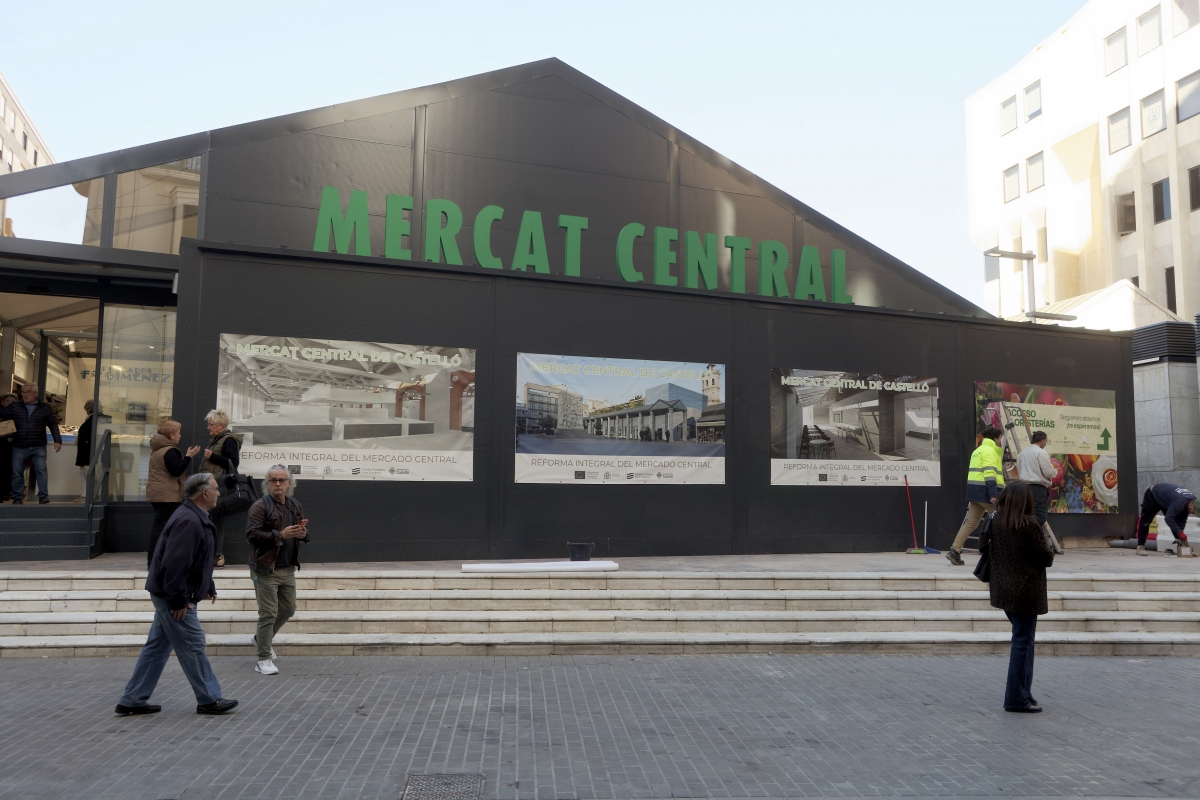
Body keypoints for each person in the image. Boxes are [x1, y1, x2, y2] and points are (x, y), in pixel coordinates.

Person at [114, 473, 238, 716]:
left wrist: (207, 584)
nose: (218, 493)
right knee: (193, 644)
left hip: (171, 593)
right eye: (215, 489)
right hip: (174, 596)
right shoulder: (189, 520)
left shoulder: (193, 516)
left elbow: (196, 560)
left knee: (157, 648)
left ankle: (132, 699)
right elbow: (175, 564)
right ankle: (209, 698)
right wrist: (179, 600)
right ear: (204, 493)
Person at [981, 480, 1054, 713]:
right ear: (1027, 501)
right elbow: (1046, 558)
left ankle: (1023, 692)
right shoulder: (1029, 524)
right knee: (1023, 642)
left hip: (1003, 591)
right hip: (1026, 592)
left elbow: (982, 547)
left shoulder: (994, 520)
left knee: (1024, 640)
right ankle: (1015, 698)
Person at [245, 464, 310, 676]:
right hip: (265, 568)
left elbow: (301, 534)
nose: (278, 484)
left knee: (288, 610)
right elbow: (252, 535)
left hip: (287, 568)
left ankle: (260, 639)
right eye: (273, 480)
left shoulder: (294, 505)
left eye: (282, 480)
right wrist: (280, 535)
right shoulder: (260, 506)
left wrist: (302, 533)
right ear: (267, 484)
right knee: (268, 613)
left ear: (290, 483)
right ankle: (263, 658)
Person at [145, 420, 202, 569]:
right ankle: (153, 562)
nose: (180, 436)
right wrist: (188, 456)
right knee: (161, 527)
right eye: (178, 433)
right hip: (167, 495)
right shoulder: (170, 451)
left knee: (162, 527)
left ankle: (158, 560)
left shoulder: (157, 449)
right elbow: (176, 470)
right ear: (171, 435)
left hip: (158, 494)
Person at [946, 425, 1005, 565]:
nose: (1001, 441)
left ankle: (955, 550)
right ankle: (1000, 553)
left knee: (971, 522)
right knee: (1001, 521)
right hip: (987, 492)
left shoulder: (977, 450)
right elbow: (989, 473)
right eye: (1000, 438)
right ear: (995, 438)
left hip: (975, 492)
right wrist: (994, 494)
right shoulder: (990, 451)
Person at [0, 383, 62, 504]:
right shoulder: (15, 406)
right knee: (17, 471)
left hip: (38, 445)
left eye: (28, 392)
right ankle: (18, 497)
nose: (25, 395)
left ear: (36, 393)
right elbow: (1, 413)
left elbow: (53, 424)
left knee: (41, 470)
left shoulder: (45, 407)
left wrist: (57, 440)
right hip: (19, 445)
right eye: (23, 392)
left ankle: (43, 496)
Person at [198, 409, 241, 568]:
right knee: (210, 519)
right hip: (210, 485)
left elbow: (233, 463)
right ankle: (210, 553)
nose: (208, 427)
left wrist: (212, 456)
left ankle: (217, 555)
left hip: (219, 486)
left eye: (211, 424)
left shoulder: (228, 440)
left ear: (221, 425)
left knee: (216, 519)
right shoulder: (217, 439)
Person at [1135, 483, 1195, 556]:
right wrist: (1179, 533)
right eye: (1194, 512)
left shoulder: (1190, 502)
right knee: (1145, 522)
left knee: (1176, 524)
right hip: (1153, 495)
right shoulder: (1180, 502)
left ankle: (1183, 548)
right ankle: (1140, 546)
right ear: (1192, 505)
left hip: (1166, 499)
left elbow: (1181, 521)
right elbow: (1169, 519)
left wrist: (1181, 533)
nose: (1193, 514)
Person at [1015, 431, 1056, 526]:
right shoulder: (1041, 452)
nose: (1046, 443)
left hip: (1023, 488)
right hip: (1037, 489)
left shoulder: (1021, 454)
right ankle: (1033, 534)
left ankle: (1023, 534)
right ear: (1042, 440)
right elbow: (1049, 472)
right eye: (1046, 441)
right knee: (1038, 516)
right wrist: (1055, 472)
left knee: (1024, 514)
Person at [75, 399, 95, 502]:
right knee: (86, 473)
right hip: (88, 451)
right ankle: (86, 495)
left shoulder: (91, 420)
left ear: (88, 409)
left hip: (87, 452)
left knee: (85, 473)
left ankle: (85, 496)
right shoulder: (94, 420)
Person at [0, 393, 16, 502]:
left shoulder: (19, 415)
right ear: (2, 403)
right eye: (7, 401)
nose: (10, 403)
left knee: (12, 470)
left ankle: (8, 491)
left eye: (13, 401)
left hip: (15, 446)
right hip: (1, 446)